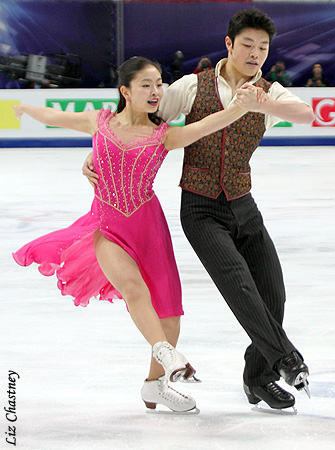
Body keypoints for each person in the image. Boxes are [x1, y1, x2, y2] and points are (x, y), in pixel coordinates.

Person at [12, 56, 266, 413]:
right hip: (108, 226)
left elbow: (208, 125)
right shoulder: (99, 122)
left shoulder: (164, 135)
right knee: (134, 289)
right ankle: (166, 353)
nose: (156, 91)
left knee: (169, 310)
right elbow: (56, 117)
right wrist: (24, 107)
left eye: (159, 84)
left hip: (149, 226)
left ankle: (154, 386)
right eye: (146, 84)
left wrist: (241, 107)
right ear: (125, 91)